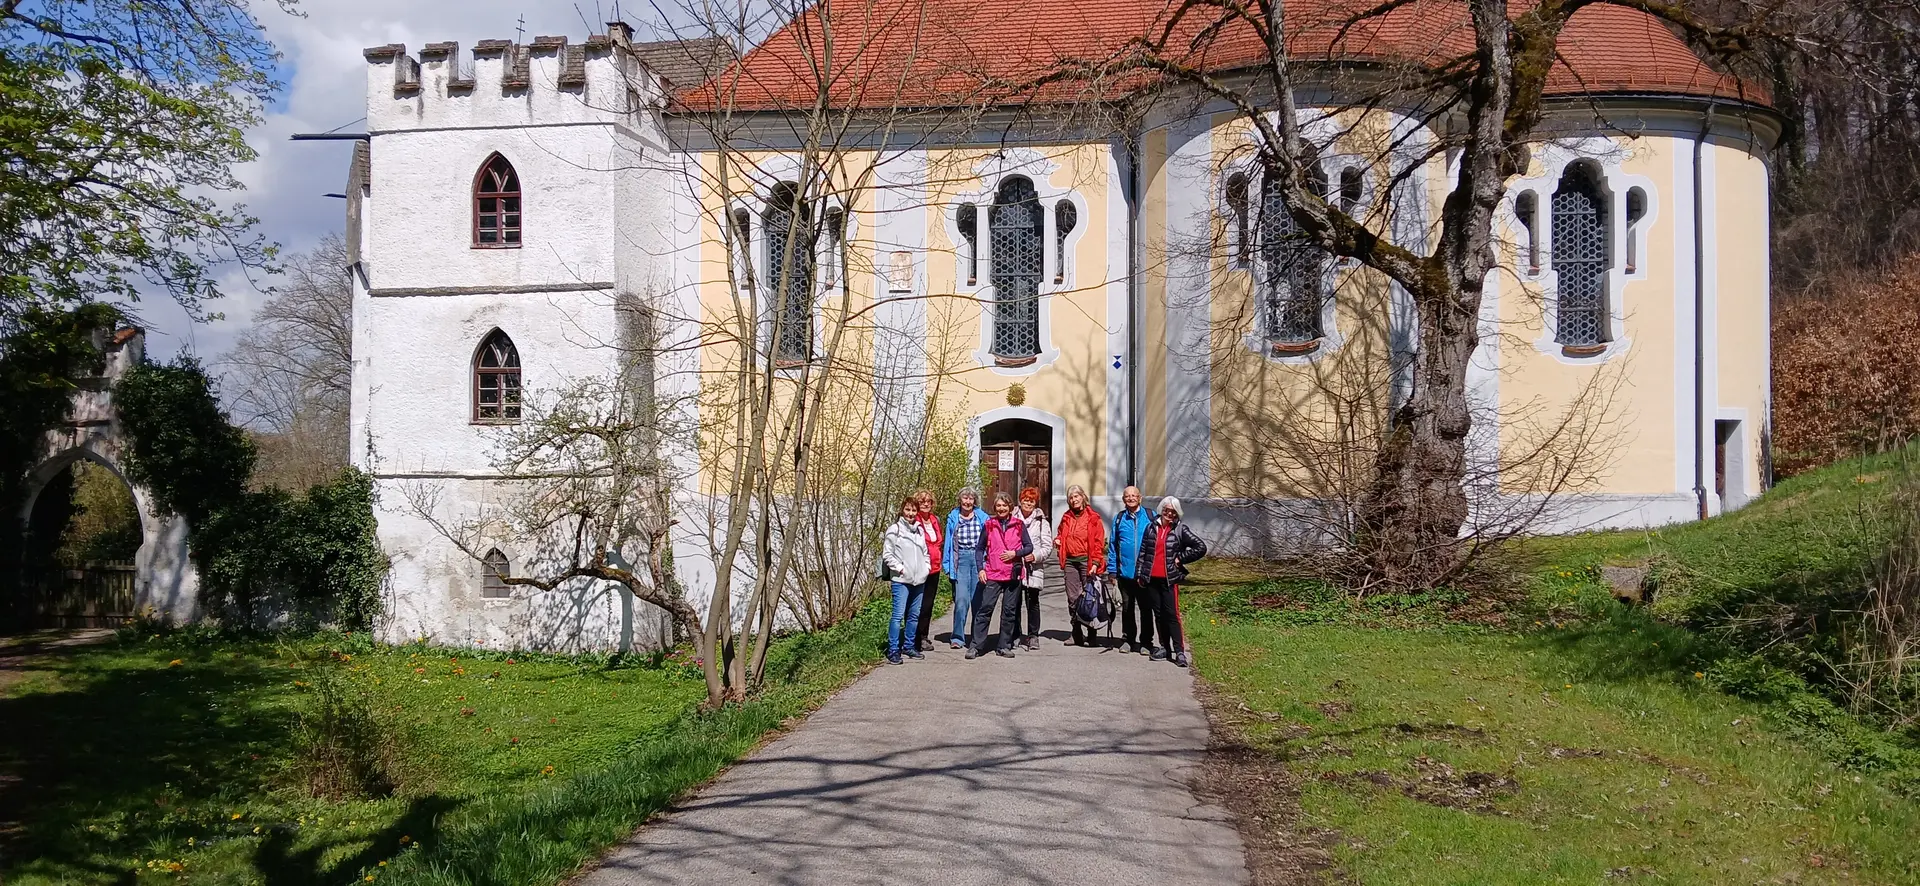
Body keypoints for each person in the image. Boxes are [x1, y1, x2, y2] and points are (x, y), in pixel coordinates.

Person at [1135, 496, 1208, 667]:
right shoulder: (1151, 528)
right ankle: (1164, 648)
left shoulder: (1180, 529)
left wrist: (1180, 558)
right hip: (1152, 579)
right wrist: (1140, 574)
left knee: (1172, 615)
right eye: (1167, 510)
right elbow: (1143, 552)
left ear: (1177, 513)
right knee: (1159, 615)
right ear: (1161, 510)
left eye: (1173, 512)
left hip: (1169, 580)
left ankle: (1179, 651)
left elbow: (1200, 547)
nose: (1169, 514)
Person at [968, 493, 1032, 660]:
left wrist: (1015, 553)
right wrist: (980, 569)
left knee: (1009, 612)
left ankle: (1004, 645)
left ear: (1010, 507)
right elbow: (980, 549)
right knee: (985, 609)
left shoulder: (1019, 525)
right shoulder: (989, 525)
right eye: (998, 506)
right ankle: (976, 646)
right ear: (995, 508)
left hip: (1013, 574)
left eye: (1004, 505)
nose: (1001, 509)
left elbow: (1029, 547)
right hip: (993, 573)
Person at [1054, 484, 1107, 647]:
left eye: (1076, 496)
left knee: (1090, 598)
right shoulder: (1066, 517)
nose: (1074, 499)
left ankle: (1092, 634)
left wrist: (1096, 563)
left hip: (1087, 562)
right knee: (1073, 598)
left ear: (1083, 497)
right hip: (1070, 562)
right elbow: (1061, 533)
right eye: (1071, 497)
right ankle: (1076, 633)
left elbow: (1098, 542)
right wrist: (1058, 540)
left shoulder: (1093, 517)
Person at [879, 495, 930, 665]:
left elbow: (925, 552)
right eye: (907, 509)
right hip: (901, 581)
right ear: (902, 510)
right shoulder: (895, 530)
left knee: (914, 616)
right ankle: (893, 650)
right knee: (898, 616)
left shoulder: (919, 530)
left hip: (919, 580)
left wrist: (926, 569)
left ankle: (908, 646)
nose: (910, 513)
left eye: (914, 510)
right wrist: (900, 568)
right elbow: (887, 554)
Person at [1107, 485, 1154, 654]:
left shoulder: (1151, 516)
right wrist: (1112, 571)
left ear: (1140, 497)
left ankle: (1146, 642)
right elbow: (1112, 546)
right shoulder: (1119, 519)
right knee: (1127, 608)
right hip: (1125, 573)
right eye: (1128, 496)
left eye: (1134, 495)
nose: (1131, 498)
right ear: (1123, 499)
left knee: (1146, 609)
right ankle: (1128, 639)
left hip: (1145, 574)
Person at [941, 489, 987, 650]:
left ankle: (976, 638)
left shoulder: (982, 517)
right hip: (960, 559)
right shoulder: (953, 517)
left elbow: (989, 541)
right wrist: (946, 565)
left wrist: (988, 564)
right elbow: (948, 542)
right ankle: (957, 637)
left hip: (978, 559)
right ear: (959, 500)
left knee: (977, 601)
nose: (967, 501)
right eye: (965, 498)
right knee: (961, 601)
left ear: (975, 501)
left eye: (971, 498)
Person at [1015, 486, 1053, 650]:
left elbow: (1047, 546)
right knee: (1013, 603)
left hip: (1033, 567)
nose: (1028, 503)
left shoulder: (1041, 522)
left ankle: (1033, 635)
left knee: (1032, 602)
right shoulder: (1012, 518)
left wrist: (1035, 556)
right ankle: (1015, 634)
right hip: (1015, 566)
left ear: (1035, 503)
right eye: (1025, 500)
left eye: (1031, 500)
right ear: (1020, 500)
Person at [911, 489, 943, 651]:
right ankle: (913, 638)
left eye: (928, 501)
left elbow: (938, 542)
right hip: (918, 568)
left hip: (934, 568)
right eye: (922, 501)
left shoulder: (935, 520)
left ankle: (924, 636)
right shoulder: (913, 521)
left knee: (928, 604)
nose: (925, 504)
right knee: (917, 604)